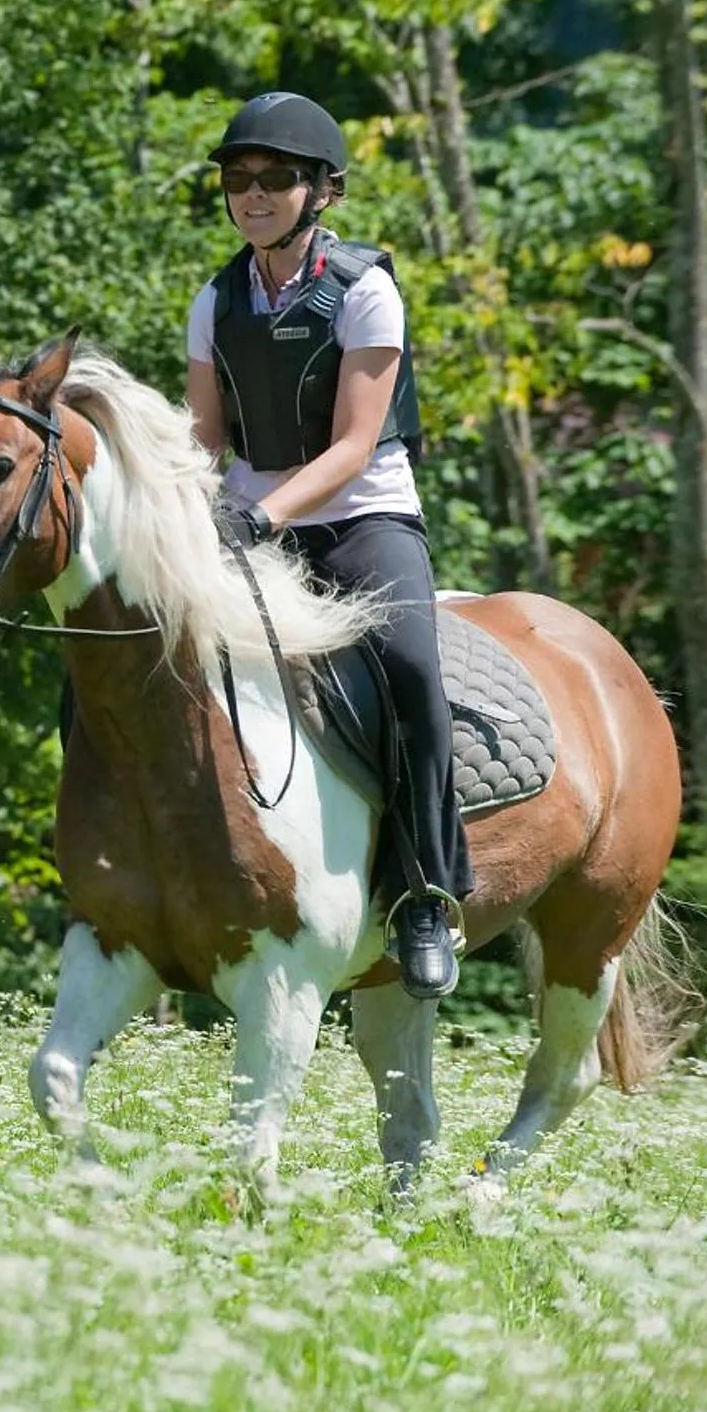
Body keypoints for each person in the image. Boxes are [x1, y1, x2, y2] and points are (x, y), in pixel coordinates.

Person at [183, 91, 474, 1000]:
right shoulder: (214, 299)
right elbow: (205, 434)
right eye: (239, 178)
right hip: (245, 527)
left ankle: (426, 895)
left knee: (412, 674)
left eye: (275, 178)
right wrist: (181, 506)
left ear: (323, 191)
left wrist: (262, 516)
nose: (253, 193)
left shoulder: (366, 290)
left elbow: (353, 445)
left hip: (362, 519)